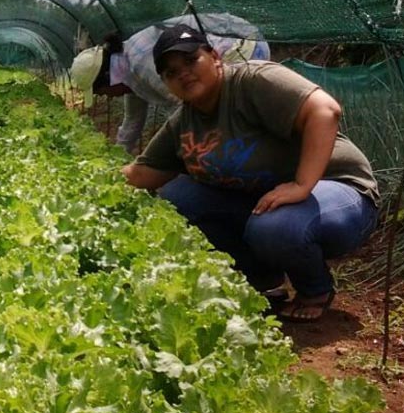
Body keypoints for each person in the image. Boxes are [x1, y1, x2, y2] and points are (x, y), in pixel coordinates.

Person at [121, 25, 379, 322]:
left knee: (274, 227)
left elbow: (325, 111)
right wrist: (85, 182)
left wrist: (301, 185)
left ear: (215, 57)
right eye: (171, 72)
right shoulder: (184, 122)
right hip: (267, 200)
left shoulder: (253, 81)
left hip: (338, 189)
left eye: (191, 61)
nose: (183, 73)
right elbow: (142, 173)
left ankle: (315, 289)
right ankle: (264, 279)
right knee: (176, 199)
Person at [70, 14, 269, 153]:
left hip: (243, 46)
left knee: (233, 116)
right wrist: (116, 159)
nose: (106, 96)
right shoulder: (127, 69)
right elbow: (132, 122)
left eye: (101, 91)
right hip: (229, 46)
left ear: (107, 77)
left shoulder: (142, 65)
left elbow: (185, 109)